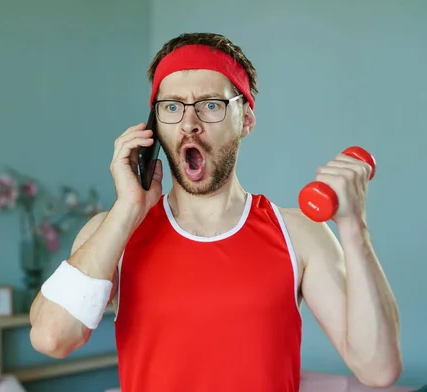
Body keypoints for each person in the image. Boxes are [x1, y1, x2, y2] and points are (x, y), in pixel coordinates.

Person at [28, 32, 402, 391]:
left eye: (211, 105)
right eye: (172, 107)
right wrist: (128, 209)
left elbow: (377, 368)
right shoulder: (113, 232)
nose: (189, 123)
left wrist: (354, 226)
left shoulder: (299, 235)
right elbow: (51, 337)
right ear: (154, 128)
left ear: (246, 121)